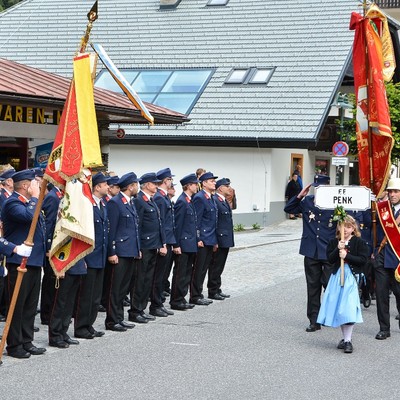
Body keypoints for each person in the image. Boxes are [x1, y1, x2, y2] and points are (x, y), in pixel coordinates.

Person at [1, 169, 47, 359]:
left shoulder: (30, 203)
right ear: (26, 186)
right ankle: (14, 345)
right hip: (18, 261)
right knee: (17, 306)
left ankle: (27, 341)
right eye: (34, 183)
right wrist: (35, 197)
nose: (37, 186)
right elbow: (28, 217)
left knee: (29, 305)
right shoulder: (12, 202)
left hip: (34, 260)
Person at [284, 174, 336, 332]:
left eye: (322, 186)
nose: (319, 189)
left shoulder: (335, 203)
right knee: (312, 287)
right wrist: (299, 196)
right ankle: (314, 320)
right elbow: (289, 209)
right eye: (317, 187)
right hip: (311, 250)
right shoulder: (307, 201)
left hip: (328, 251)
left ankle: (328, 315)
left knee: (329, 285)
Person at [317, 215, 369, 353]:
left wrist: (347, 256)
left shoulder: (359, 242)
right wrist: (337, 249)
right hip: (337, 277)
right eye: (342, 226)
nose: (345, 229)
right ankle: (345, 338)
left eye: (348, 226)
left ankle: (348, 341)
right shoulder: (334, 242)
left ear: (353, 228)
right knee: (340, 307)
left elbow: (363, 260)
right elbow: (330, 259)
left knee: (349, 307)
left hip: (351, 278)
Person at [74, 172, 109, 339]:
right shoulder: (87, 205)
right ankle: (81, 327)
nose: (108, 187)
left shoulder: (102, 205)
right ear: (97, 187)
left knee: (95, 296)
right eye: (105, 184)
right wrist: (83, 258)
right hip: (89, 257)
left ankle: (89, 325)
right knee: (86, 295)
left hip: (100, 257)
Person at [104, 172, 140, 332]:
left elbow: (135, 229)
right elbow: (111, 230)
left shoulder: (130, 202)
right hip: (119, 251)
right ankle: (112, 320)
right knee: (115, 287)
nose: (138, 187)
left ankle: (119, 317)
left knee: (123, 287)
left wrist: (137, 249)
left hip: (130, 250)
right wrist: (112, 252)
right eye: (136, 184)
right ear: (131, 186)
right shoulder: (115, 203)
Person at [130, 172, 167, 322]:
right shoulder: (139, 200)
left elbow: (158, 224)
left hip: (152, 245)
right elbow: (137, 226)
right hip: (144, 246)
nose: (157, 186)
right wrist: (137, 246)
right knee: (140, 279)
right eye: (154, 183)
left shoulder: (150, 200)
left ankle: (142, 308)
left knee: (147, 279)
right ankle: (135, 311)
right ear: (146, 185)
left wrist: (160, 242)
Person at [373, 177, 400, 340]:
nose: (393, 194)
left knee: (399, 293)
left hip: (398, 258)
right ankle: (384, 328)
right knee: (381, 294)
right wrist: (374, 252)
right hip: (382, 257)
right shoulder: (382, 209)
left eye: (396, 191)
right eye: (390, 191)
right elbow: (373, 231)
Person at [169, 174, 199, 311]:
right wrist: (176, 245)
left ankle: (182, 298)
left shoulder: (189, 200)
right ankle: (176, 300)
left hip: (190, 243)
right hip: (183, 243)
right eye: (194, 184)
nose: (196, 186)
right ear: (188, 186)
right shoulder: (182, 201)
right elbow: (178, 225)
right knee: (180, 273)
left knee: (186, 273)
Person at [190, 171, 218, 305]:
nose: (214, 183)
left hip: (210, 238)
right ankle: (195, 295)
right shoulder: (200, 198)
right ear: (204, 183)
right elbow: (197, 220)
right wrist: (198, 238)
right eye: (211, 181)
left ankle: (199, 293)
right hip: (203, 239)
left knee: (204, 268)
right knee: (198, 268)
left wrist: (214, 240)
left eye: (214, 181)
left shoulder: (210, 197)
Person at [151, 168, 176, 317]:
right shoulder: (160, 198)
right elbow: (160, 223)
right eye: (170, 180)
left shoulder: (164, 196)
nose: (171, 182)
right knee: (158, 276)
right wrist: (163, 243)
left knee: (162, 275)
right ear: (165, 181)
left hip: (167, 240)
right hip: (163, 242)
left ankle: (159, 302)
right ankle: (156, 304)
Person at [208, 178, 234, 300]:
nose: (229, 188)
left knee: (220, 265)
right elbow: (215, 222)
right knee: (215, 266)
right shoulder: (215, 201)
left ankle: (217, 288)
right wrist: (215, 241)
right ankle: (213, 290)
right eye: (226, 186)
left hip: (225, 238)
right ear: (220, 188)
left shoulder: (223, 201)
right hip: (219, 238)